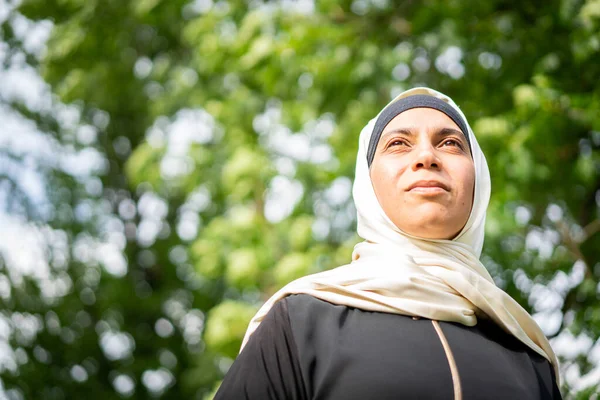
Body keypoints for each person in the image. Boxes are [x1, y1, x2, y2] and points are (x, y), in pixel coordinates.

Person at [213, 87, 562, 400]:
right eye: (398, 144)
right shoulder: (299, 323)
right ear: (368, 185)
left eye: (450, 143)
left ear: (479, 180)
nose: (427, 157)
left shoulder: (528, 353)